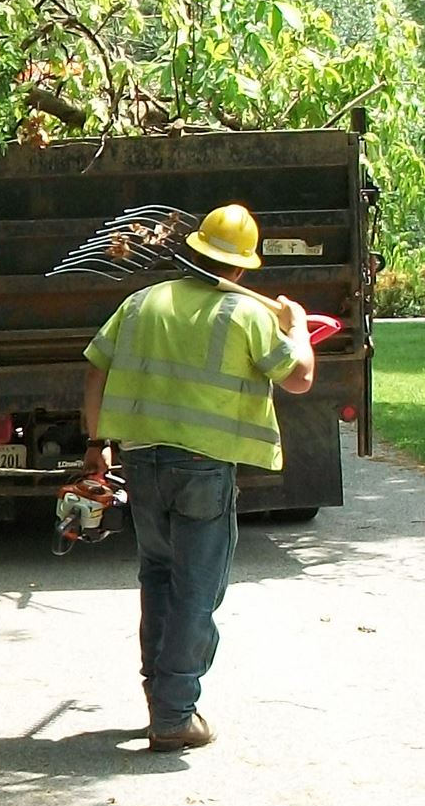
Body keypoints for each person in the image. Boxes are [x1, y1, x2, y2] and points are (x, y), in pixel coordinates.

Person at [78, 202, 317, 749]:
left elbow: (95, 369)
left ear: (195, 252)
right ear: (240, 267)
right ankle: (174, 714)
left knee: (158, 576)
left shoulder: (139, 304)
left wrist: (97, 445)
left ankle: (159, 696)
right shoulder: (247, 314)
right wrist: (298, 328)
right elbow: (300, 377)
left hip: (141, 461)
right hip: (204, 467)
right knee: (197, 588)